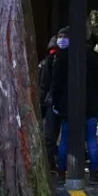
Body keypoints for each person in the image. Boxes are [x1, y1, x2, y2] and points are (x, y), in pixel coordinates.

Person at [51, 27, 98, 185]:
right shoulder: (93, 56)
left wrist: (56, 103)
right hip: (91, 105)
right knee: (91, 139)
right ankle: (94, 173)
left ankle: (61, 173)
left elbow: (56, 83)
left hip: (68, 105)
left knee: (65, 140)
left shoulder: (63, 56)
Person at [38, 36, 60, 170]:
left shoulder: (44, 63)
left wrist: (41, 102)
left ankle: (50, 162)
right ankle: (57, 163)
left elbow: (43, 84)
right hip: (60, 102)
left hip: (50, 102)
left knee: (49, 136)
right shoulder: (68, 60)